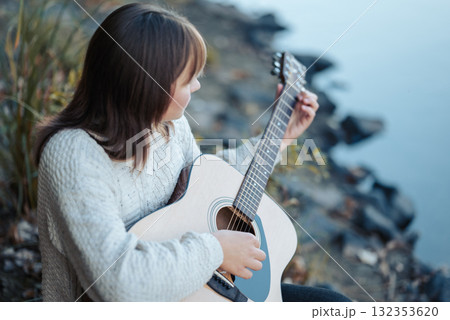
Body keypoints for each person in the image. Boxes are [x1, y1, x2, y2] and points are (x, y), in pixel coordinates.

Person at [33, 3, 350, 302]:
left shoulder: (166, 125)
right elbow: (117, 281)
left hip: (188, 286)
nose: (197, 87)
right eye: (189, 79)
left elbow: (208, 181)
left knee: (335, 304)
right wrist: (217, 251)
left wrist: (281, 136)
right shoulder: (73, 155)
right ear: (149, 86)